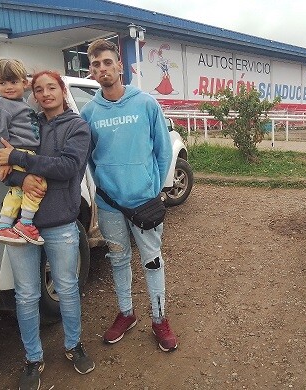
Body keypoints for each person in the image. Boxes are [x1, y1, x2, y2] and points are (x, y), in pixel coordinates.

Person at [0, 70, 95, 390]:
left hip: (60, 223)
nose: (46, 93)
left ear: (63, 90)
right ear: (33, 94)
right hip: (20, 228)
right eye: (39, 89)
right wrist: (22, 177)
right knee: (26, 295)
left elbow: (67, 168)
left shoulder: (78, 127)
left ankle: (73, 344)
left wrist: (19, 158)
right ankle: (33, 358)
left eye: (52, 87)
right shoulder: (26, 121)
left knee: (66, 288)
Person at [81, 39, 178, 351]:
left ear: (120, 66)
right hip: (109, 206)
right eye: (96, 65)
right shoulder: (89, 111)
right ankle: (126, 313)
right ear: (92, 71)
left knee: (152, 261)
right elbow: (90, 158)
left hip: (144, 203)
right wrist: (105, 188)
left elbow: (163, 151)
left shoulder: (145, 103)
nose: (102, 69)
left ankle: (159, 319)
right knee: (118, 260)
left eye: (107, 63)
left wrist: (154, 191)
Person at [0, 58, 46, 246]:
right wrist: (3, 160)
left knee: (18, 191)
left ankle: (5, 225)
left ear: (24, 82)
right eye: (2, 83)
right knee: (39, 184)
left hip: (24, 152)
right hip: (16, 152)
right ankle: (25, 223)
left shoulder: (22, 104)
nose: (8, 87)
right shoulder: (1, 105)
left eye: (13, 82)